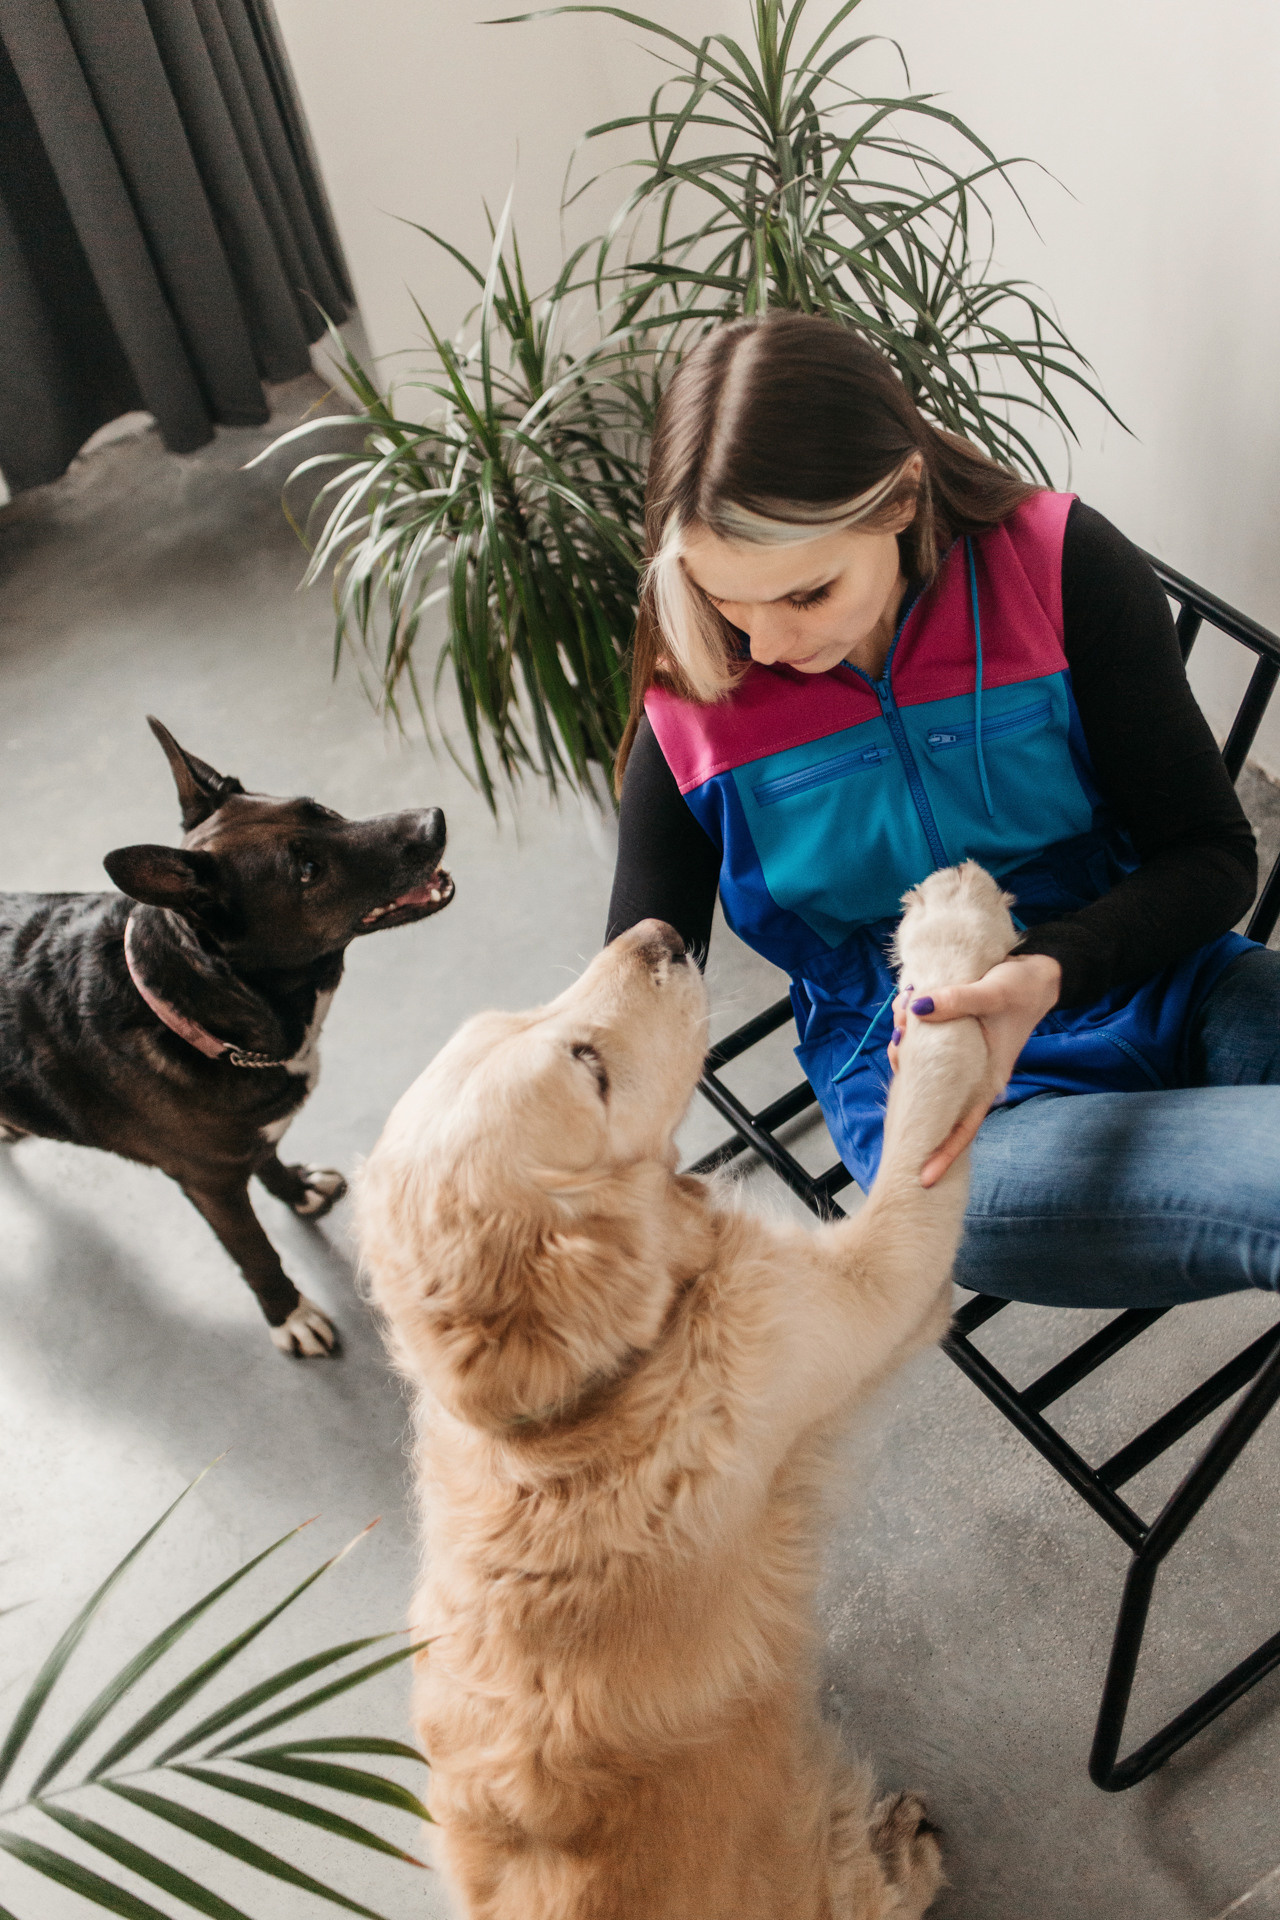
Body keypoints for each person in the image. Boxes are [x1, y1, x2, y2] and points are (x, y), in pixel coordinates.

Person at [605, 310, 1280, 1310]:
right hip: (945, 1117)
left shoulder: (1054, 567)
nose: (765, 644)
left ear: (900, 498)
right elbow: (637, 991)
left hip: (1162, 983)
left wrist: (1039, 976)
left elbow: (1209, 856)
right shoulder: (694, 706)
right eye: (725, 601)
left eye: (806, 592)